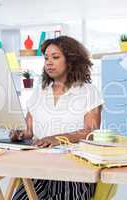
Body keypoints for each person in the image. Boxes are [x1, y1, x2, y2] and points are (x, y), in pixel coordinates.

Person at [11, 35, 104, 200]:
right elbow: (29, 130)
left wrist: (58, 138)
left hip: (74, 171)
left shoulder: (88, 92)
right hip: (38, 169)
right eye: (46, 58)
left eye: (55, 57)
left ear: (70, 60)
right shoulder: (40, 91)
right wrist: (20, 133)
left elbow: (90, 132)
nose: (48, 62)